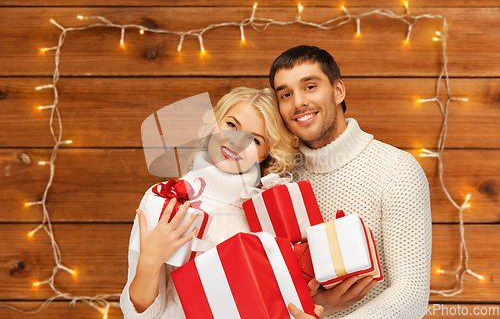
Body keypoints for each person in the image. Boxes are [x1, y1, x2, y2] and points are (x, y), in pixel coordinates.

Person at [120, 87, 319, 318]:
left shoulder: (270, 214)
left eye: (254, 140)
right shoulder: (166, 198)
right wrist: (149, 262)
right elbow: (136, 314)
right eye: (231, 125)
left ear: (265, 154)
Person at [268, 45, 432, 319]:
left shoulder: (397, 170)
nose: (298, 102)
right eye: (286, 94)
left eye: (309, 86)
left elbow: (411, 294)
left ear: (338, 91)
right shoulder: (281, 177)